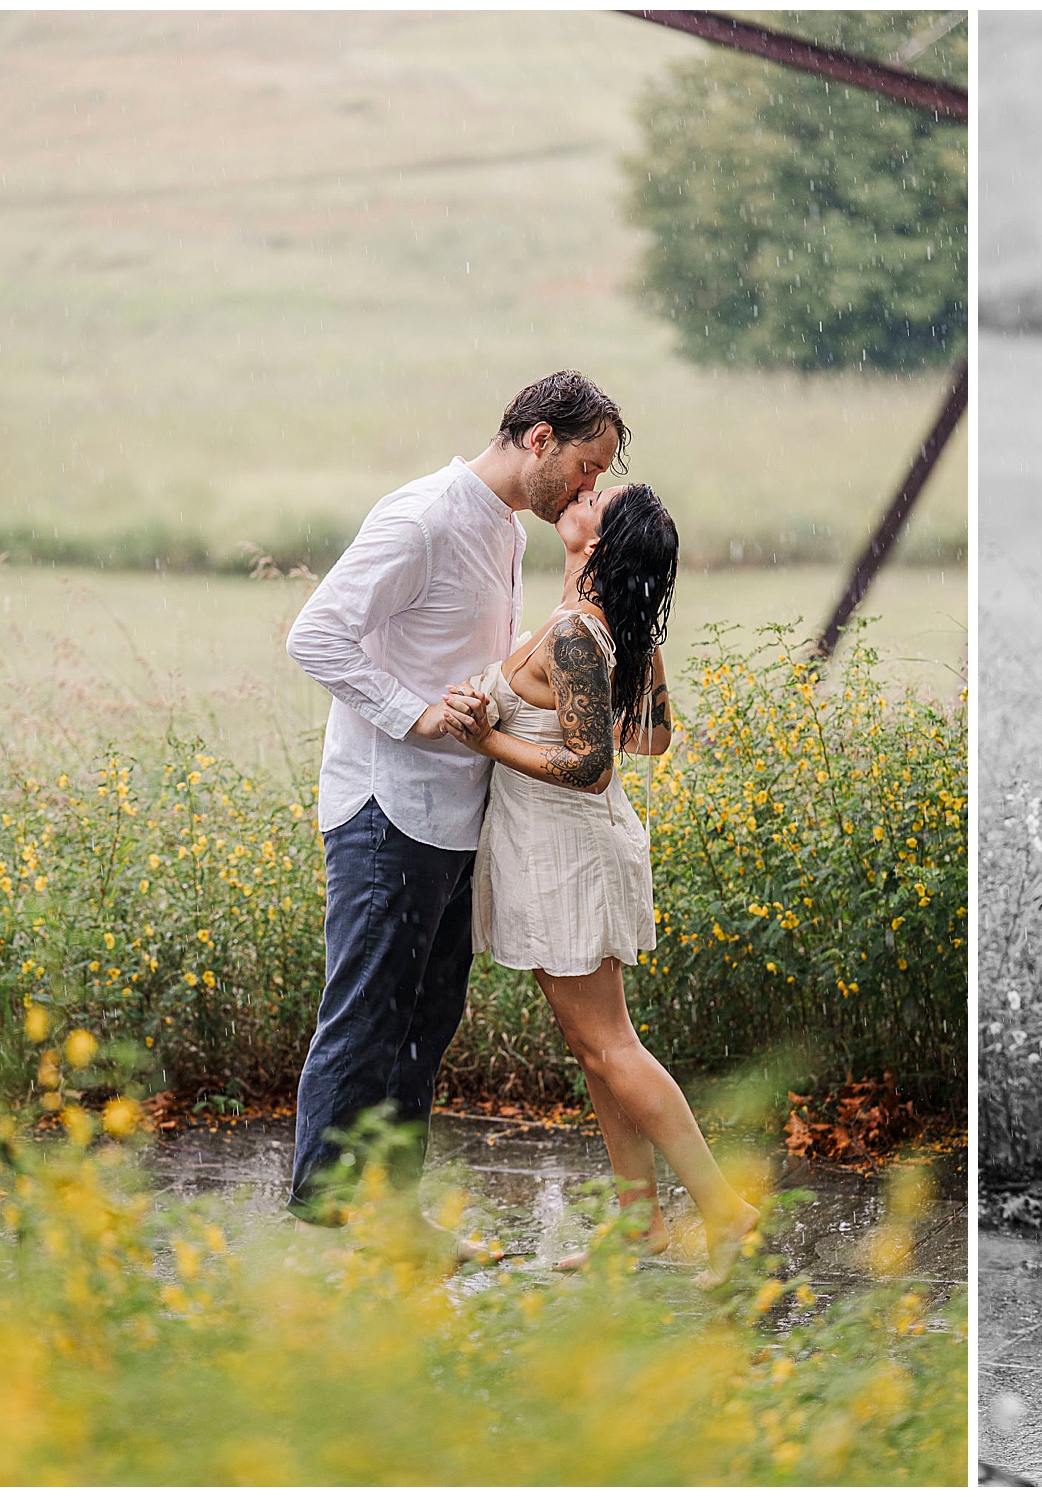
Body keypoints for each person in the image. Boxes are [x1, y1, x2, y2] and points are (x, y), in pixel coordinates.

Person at [284, 371, 626, 1232]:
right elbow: (315, 633)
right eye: (587, 468)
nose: (591, 491)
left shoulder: (505, 534)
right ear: (540, 438)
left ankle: (393, 1219)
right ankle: (319, 1227)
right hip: (385, 805)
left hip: (456, 811)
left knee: (425, 1024)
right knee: (366, 1015)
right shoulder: (424, 515)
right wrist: (419, 711)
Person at [439, 483, 761, 1287]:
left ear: (601, 541)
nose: (580, 493)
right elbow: (653, 735)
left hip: (569, 852)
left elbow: (591, 767)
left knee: (611, 1044)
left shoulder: (582, 633)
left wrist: (488, 738)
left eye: (596, 498)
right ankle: (639, 1219)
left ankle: (727, 1213)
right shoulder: (609, 625)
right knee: (596, 1047)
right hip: (569, 849)